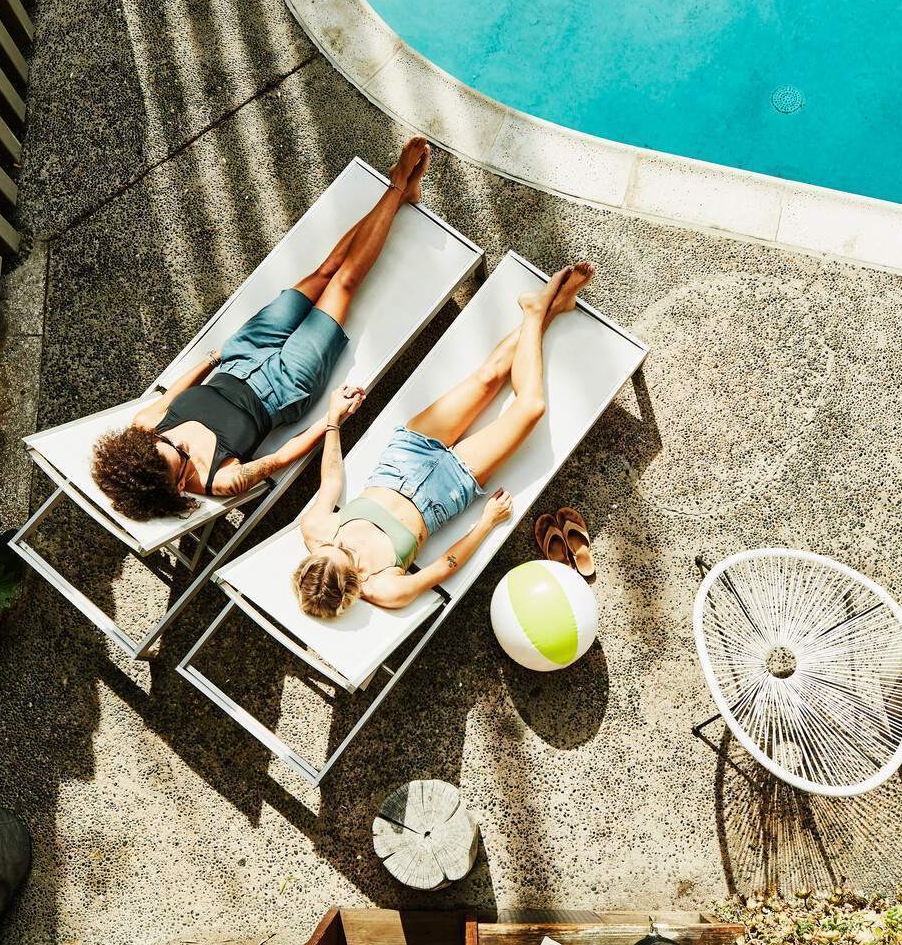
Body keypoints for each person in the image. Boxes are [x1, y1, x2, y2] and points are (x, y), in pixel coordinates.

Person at [90, 138, 432, 520]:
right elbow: (282, 456)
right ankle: (398, 184)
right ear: (178, 485)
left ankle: (400, 193)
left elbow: (174, 394)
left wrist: (215, 356)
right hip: (286, 384)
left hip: (241, 355)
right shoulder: (218, 480)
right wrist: (334, 417)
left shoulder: (146, 428)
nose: (180, 443)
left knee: (325, 271)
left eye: (168, 444)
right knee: (344, 283)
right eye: (181, 457)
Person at [291, 260, 595, 615]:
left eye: (337, 546)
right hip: (449, 488)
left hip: (405, 456)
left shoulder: (315, 529)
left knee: (487, 377)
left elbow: (331, 480)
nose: (346, 546)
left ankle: (548, 309)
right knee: (531, 408)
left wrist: (333, 421)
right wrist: (486, 522)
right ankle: (540, 310)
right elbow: (444, 565)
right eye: (349, 559)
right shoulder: (386, 588)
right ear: (353, 587)